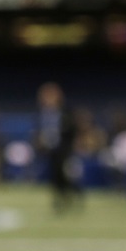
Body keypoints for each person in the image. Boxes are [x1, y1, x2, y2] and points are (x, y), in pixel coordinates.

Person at [36, 82, 80, 212]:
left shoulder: (66, 112)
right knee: (54, 176)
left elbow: (72, 130)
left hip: (64, 150)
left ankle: (73, 196)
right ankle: (58, 199)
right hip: (50, 150)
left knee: (66, 175)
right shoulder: (43, 113)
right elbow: (40, 130)